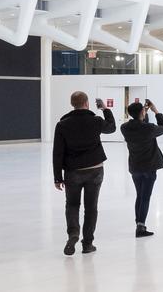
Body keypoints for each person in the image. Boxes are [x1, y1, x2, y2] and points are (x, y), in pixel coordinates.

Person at [52, 92, 116, 255]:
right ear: (87, 103)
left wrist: (57, 177)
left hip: (73, 171)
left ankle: (73, 234)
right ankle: (87, 244)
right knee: (91, 207)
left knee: (72, 205)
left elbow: (57, 152)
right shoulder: (95, 121)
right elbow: (111, 127)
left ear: (72, 104)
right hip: (95, 169)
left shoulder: (62, 125)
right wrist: (105, 109)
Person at [120, 99, 163, 238]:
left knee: (140, 196)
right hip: (149, 167)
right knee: (145, 197)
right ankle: (140, 226)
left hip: (135, 167)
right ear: (142, 112)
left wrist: (143, 112)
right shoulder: (149, 129)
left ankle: (139, 224)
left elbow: (138, 124)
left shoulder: (124, 128)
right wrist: (156, 111)